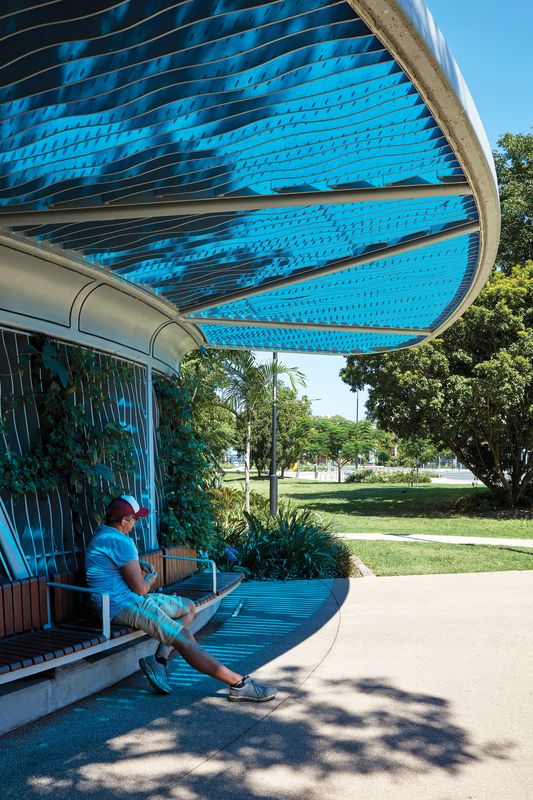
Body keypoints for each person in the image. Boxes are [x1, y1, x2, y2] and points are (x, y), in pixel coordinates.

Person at [85, 494, 276, 702]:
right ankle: (238, 684)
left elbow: (111, 562)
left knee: (188, 606)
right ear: (123, 521)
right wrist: (149, 579)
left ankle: (159, 660)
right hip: (122, 605)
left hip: (115, 600)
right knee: (184, 638)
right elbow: (141, 589)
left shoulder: (104, 533)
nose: (136, 523)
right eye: (135, 519)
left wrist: (138, 563)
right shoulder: (121, 542)